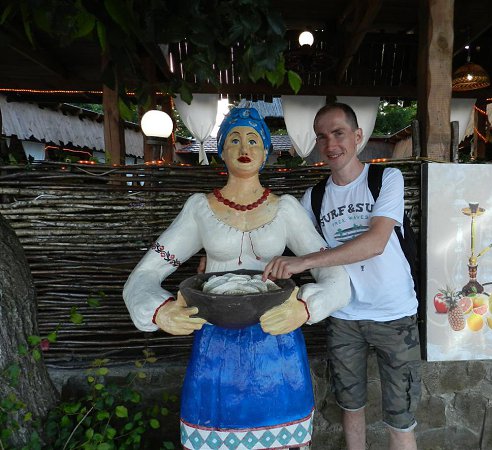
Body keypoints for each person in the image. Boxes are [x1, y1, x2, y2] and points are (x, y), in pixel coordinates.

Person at [123, 107, 350, 450]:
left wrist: (305, 308)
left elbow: (336, 276)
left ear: (266, 150)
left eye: (253, 140)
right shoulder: (200, 210)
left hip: (277, 346)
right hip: (216, 350)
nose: (244, 147)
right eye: (234, 139)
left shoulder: (286, 210)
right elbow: (144, 274)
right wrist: (159, 310)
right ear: (221, 151)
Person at [263, 103, 421, 450]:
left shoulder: (386, 179)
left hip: (395, 314)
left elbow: (376, 242)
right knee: (350, 407)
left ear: (358, 136)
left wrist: (303, 262)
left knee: (401, 418)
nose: (330, 144)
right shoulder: (314, 198)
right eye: (322, 137)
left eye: (338, 133)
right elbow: (281, 240)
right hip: (344, 315)